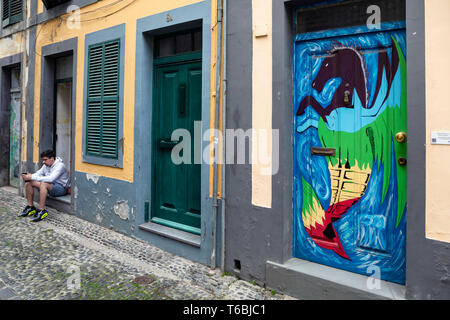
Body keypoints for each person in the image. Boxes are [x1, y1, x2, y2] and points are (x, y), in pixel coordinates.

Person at [18, 150, 70, 222]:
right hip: (50, 185)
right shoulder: (46, 165)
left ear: (52, 159)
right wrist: (29, 176)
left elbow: (51, 179)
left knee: (43, 184)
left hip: (61, 188)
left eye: (45, 160)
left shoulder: (60, 166)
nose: (43, 162)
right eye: (43, 160)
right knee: (29, 183)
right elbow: (38, 173)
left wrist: (32, 177)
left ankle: (41, 210)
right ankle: (30, 207)